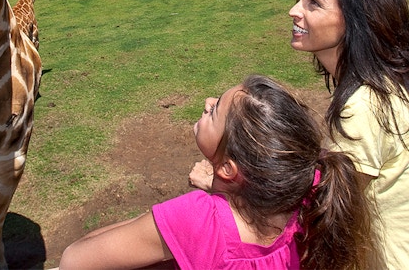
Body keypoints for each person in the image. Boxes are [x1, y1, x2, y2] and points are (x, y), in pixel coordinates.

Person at [58, 74, 370, 270]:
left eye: (214, 110)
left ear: (227, 168)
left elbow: (75, 260)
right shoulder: (308, 196)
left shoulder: (198, 217)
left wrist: (163, 220)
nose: (207, 102)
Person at [289, 0, 409, 270]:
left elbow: (330, 214)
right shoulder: (386, 87)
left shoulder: (364, 105)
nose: (294, 11)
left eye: (313, 2)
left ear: (355, 19)